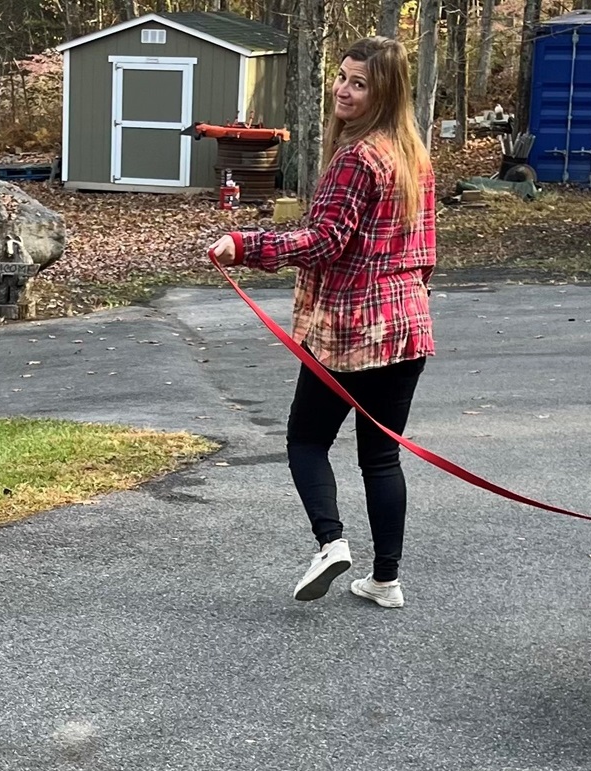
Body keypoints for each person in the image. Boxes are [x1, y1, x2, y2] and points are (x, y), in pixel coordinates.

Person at [208, 36, 436, 608]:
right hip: (407, 326)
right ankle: (386, 580)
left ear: (384, 92)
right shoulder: (412, 153)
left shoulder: (358, 157)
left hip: (350, 330)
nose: (343, 89)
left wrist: (245, 243)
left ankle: (331, 543)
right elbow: (426, 253)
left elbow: (323, 239)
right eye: (342, 76)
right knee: (381, 456)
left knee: (306, 440)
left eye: (359, 83)